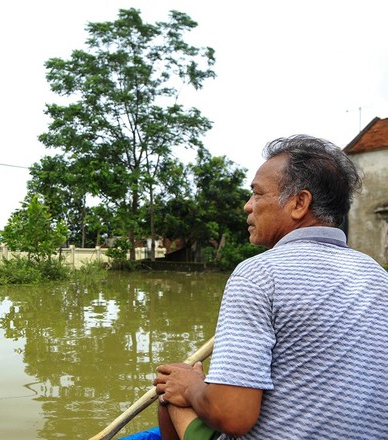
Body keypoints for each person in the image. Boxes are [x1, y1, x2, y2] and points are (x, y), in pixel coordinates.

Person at [153, 134, 388, 439]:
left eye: (257, 194)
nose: (247, 206)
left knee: (169, 389)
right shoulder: (378, 275)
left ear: (299, 203)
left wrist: (192, 386)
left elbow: (232, 415)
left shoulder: (259, 274)